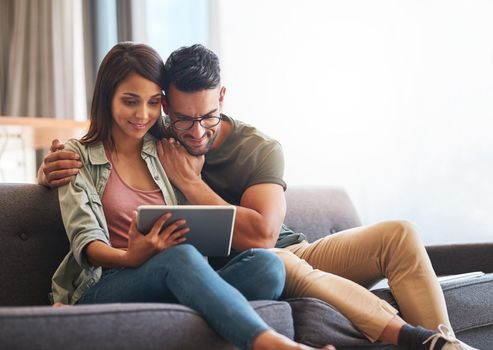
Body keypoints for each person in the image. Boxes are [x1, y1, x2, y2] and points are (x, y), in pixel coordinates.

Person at [39, 44, 477, 350]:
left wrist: (192, 185)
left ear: (222, 99)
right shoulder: (145, 140)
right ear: (171, 110)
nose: (194, 132)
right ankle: (383, 337)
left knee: (383, 236)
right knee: (243, 260)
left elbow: (266, 234)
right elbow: (91, 195)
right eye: (182, 118)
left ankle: (445, 342)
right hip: (143, 273)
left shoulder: (242, 147)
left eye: (206, 117)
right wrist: (47, 168)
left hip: (272, 252)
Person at [49, 41, 333, 350]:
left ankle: (196, 304)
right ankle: (271, 343)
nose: (142, 114)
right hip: (108, 282)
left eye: (153, 102)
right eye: (130, 101)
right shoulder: (76, 156)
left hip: (174, 278)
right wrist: (131, 257)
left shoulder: (168, 147)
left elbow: (199, 130)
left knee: (268, 266)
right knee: (179, 257)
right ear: (107, 99)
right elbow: (86, 242)